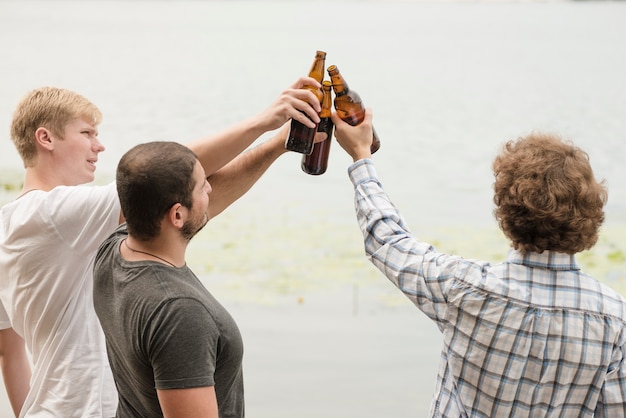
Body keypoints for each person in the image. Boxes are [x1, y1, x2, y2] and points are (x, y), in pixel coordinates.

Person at [0, 79, 323, 417]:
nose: (99, 146)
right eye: (87, 134)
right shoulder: (52, 214)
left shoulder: (18, 227)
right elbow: (164, 176)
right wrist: (263, 121)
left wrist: (277, 145)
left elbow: (191, 207)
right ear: (45, 138)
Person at [331, 108, 626, 416]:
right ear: (589, 213)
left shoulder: (466, 288)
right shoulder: (616, 321)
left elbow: (387, 240)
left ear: (507, 208)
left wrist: (361, 156)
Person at [95, 140, 251, 417]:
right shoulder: (179, 311)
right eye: (203, 185)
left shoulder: (111, 252)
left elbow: (200, 207)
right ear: (177, 214)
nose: (211, 188)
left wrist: (279, 144)